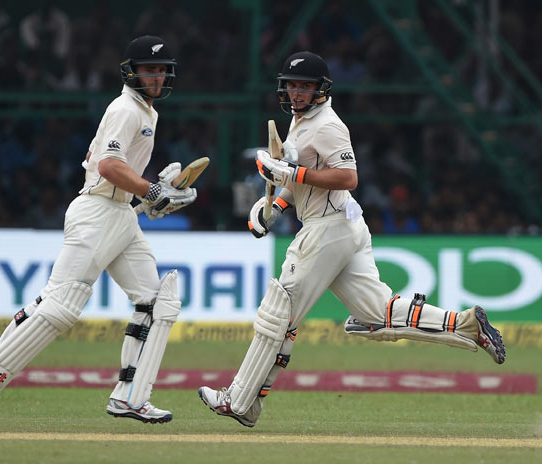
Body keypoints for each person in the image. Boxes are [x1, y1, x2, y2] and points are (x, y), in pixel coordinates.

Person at [198, 51, 506, 428]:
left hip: (327, 228)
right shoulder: (299, 122)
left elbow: (347, 177)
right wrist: (275, 207)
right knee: (377, 314)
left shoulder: (327, 125)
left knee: (279, 313)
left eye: (304, 86)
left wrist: (292, 173)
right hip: (342, 226)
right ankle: (466, 324)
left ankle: (240, 401)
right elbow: (300, 184)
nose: (296, 93)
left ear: (320, 89)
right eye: (292, 86)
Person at [0, 35, 197, 425]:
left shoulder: (146, 112)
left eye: (161, 70)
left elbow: (120, 173)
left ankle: (131, 396)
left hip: (120, 214)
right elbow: (107, 166)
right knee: (61, 306)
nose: (156, 77)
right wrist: (153, 190)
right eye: (149, 70)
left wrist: (153, 197)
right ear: (132, 72)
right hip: (97, 211)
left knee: (158, 303)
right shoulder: (127, 108)